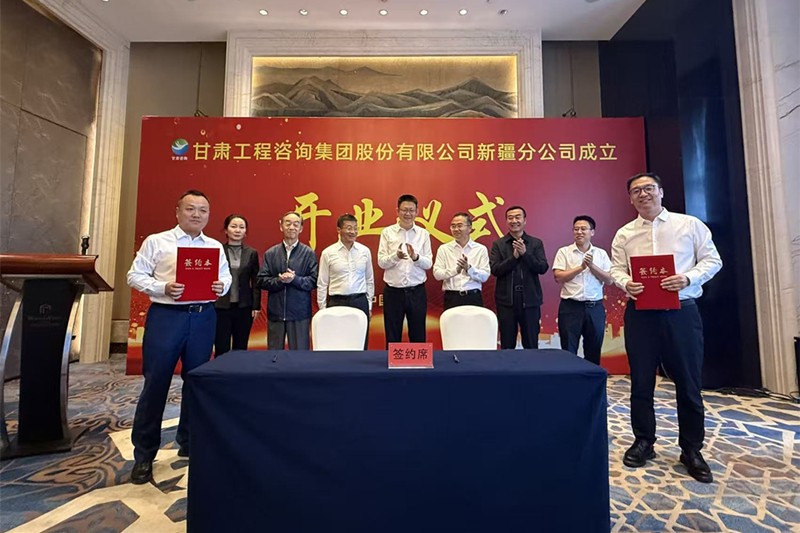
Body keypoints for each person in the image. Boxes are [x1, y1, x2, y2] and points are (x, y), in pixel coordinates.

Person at [610, 172, 722, 483]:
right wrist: (626, 282)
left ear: (661, 191)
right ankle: (644, 441)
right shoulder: (624, 234)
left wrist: (687, 278)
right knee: (641, 382)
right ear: (630, 198)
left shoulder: (689, 225)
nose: (643, 194)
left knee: (688, 382)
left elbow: (713, 260)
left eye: (648, 188)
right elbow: (616, 269)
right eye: (636, 191)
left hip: (681, 313)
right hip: (640, 315)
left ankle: (691, 449)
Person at [126, 189, 231, 484]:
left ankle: (189, 441)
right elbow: (134, 275)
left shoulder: (214, 246)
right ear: (177, 211)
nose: (196, 214)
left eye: (203, 210)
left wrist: (220, 286)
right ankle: (144, 454)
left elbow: (226, 277)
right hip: (167, 317)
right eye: (190, 209)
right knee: (156, 383)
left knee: (197, 382)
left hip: (203, 317)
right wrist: (162, 287)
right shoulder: (157, 241)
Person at [552, 215, 614, 365]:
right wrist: (581, 267)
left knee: (594, 349)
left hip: (594, 307)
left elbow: (609, 279)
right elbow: (558, 277)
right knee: (568, 349)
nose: (579, 232)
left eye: (583, 229)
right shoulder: (564, 252)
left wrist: (591, 266)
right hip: (570, 307)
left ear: (592, 232)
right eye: (576, 229)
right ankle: (569, 378)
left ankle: (590, 378)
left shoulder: (600, 254)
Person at [256, 211, 318, 350]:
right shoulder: (271, 253)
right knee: (274, 355)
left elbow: (314, 281)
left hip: (299, 313)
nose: (291, 227)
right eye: (288, 223)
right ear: (281, 226)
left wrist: (294, 279)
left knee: (299, 355)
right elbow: (261, 280)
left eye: (296, 224)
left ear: (301, 228)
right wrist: (279, 280)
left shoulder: (308, 253)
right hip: (276, 312)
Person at [490, 205, 549, 349]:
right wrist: (514, 257)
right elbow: (495, 270)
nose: (514, 221)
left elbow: (542, 268)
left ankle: (530, 365)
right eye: (510, 218)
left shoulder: (535, 243)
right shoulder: (498, 244)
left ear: (525, 220)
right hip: (506, 302)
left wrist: (525, 254)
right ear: (506, 221)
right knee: (507, 344)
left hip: (530, 301)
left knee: (531, 344)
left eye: (518, 217)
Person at [377, 194, 432, 346]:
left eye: (411, 210)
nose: (408, 214)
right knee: (393, 335)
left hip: (417, 291)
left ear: (417, 212)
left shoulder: (423, 234)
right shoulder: (387, 232)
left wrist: (415, 257)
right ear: (397, 211)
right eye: (404, 210)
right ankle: (393, 362)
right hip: (393, 292)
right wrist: (396, 256)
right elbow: (381, 262)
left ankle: (418, 362)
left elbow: (428, 263)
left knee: (418, 334)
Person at [317, 214, 375, 349]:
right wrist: (323, 310)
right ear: (339, 230)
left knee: (360, 344)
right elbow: (322, 283)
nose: (352, 232)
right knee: (337, 343)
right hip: (336, 302)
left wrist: (369, 305)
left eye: (355, 228)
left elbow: (369, 280)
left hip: (359, 301)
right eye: (348, 228)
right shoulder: (328, 253)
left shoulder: (364, 251)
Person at [214, 214, 261, 356]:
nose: (237, 230)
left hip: (244, 306)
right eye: (233, 226)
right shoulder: (218, 251)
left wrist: (256, 306)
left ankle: (238, 370)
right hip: (221, 306)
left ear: (245, 232)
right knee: (221, 345)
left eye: (241, 227)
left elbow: (256, 281)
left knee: (241, 346)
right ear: (226, 230)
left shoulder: (251, 253)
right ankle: (221, 369)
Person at [433, 212, 490, 309]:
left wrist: (469, 269)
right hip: (451, 297)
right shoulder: (444, 249)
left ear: (470, 228)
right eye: (453, 226)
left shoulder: (480, 249)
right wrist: (456, 270)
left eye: (460, 226)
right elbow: (437, 274)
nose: (456, 229)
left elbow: (484, 276)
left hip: (473, 296)